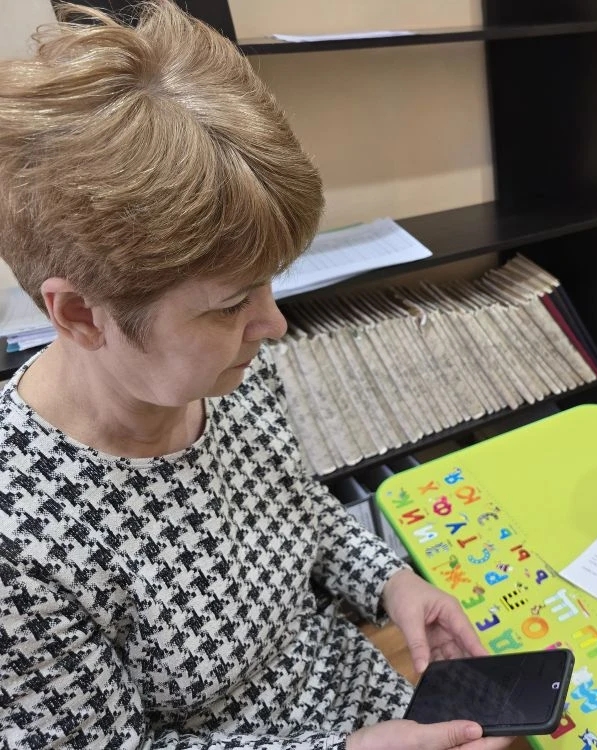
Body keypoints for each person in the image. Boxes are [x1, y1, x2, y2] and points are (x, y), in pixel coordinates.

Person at [0, 3, 513, 749]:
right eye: (230, 304)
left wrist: (390, 582)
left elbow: (294, 506)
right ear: (81, 314)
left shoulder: (226, 377)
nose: (272, 325)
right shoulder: (20, 541)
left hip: (369, 703)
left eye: (270, 285)